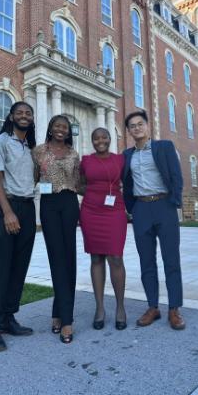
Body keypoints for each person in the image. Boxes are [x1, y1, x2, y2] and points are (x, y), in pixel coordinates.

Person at [122, 110, 185, 330]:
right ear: (128, 131)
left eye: (140, 124)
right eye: (132, 126)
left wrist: (174, 203)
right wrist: (131, 208)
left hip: (164, 206)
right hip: (141, 209)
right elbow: (125, 183)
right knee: (146, 261)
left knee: (171, 260)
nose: (137, 128)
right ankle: (153, 307)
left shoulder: (164, 147)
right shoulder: (126, 155)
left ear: (147, 127)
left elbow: (177, 177)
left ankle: (174, 309)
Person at [0, 101, 37, 352]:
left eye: (28, 113)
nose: (24, 116)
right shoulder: (1, 141)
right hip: (8, 206)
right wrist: (7, 212)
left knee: (19, 266)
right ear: (12, 116)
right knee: (1, 266)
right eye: (20, 112)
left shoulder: (30, 146)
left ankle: (8, 318)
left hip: (28, 207)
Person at [32, 115, 80, 344]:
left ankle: (62, 316)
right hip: (49, 205)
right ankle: (64, 316)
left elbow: (78, 183)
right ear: (50, 129)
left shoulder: (73, 154)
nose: (61, 129)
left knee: (69, 257)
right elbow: (34, 179)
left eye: (65, 127)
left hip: (69, 204)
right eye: (57, 126)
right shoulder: (39, 151)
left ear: (68, 132)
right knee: (56, 257)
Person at [80, 128, 127, 330]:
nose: (100, 141)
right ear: (92, 141)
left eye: (104, 137)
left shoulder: (120, 160)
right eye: (96, 138)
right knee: (96, 258)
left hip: (115, 210)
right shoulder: (86, 161)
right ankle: (100, 308)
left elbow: (127, 182)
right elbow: (80, 184)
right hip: (91, 211)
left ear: (109, 139)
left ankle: (120, 308)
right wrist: (94, 195)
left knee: (115, 257)